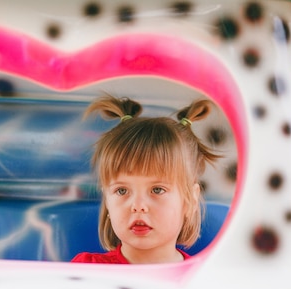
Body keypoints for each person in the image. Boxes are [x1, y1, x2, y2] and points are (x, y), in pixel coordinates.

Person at [71, 94, 220, 264]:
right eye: (122, 190)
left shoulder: (201, 279)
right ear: (107, 200)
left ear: (190, 201)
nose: (138, 206)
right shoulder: (88, 270)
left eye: (157, 190)